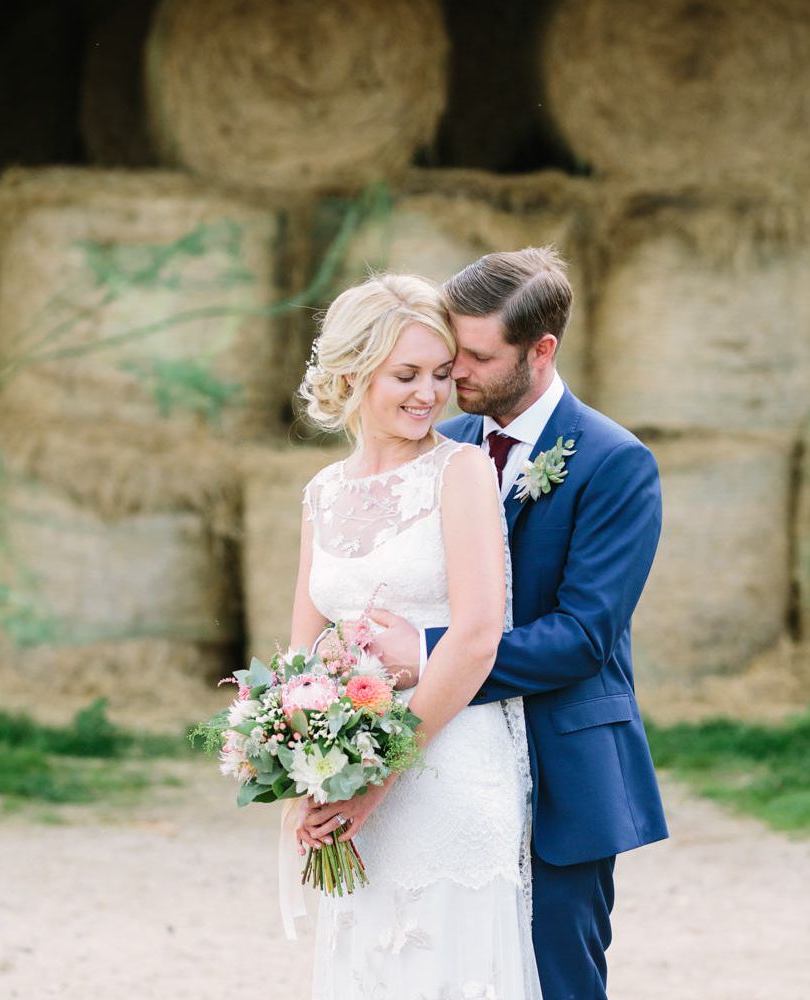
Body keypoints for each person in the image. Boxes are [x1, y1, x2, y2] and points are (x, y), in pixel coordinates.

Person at [307, 247, 668, 1000]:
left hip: (562, 762)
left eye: (470, 358)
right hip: (441, 754)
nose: (450, 376)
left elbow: (584, 636)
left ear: (540, 352)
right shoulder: (437, 446)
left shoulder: (615, 463)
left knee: (557, 982)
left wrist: (428, 651)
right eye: (440, 357)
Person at [291, 273, 543, 999]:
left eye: (439, 374)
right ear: (350, 374)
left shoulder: (459, 472)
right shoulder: (322, 493)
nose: (428, 394)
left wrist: (382, 773)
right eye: (406, 375)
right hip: (354, 778)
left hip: (448, 773)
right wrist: (305, 769)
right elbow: (301, 653)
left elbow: (476, 638)